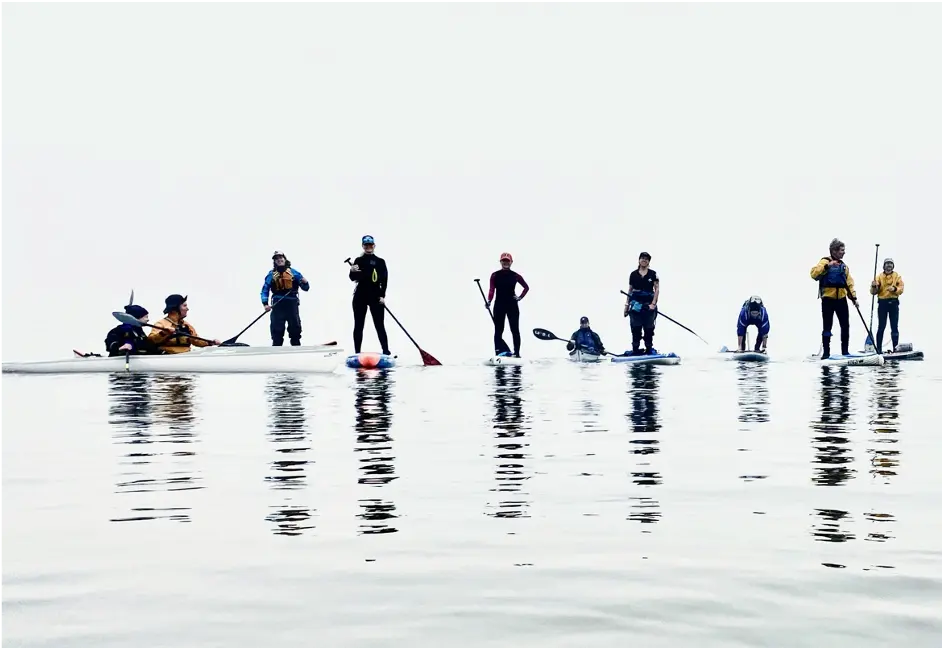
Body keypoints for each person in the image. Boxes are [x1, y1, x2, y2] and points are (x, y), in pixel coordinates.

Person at [810, 238, 857, 359]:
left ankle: (845, 352)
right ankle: (826, 354)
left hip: (841, 299)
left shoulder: (844, 266)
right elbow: (814, 274)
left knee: (845, 325)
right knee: (827, 326)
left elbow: (849, 283)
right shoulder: (824, 261)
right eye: (842, 250)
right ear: (834, 251)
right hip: (828, 300)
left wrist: (854, 298)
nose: (844, 252)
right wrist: (827, 266)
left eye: (844, 250)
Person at [349, 235, 391, 355]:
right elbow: (353, 278)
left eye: (370, 245)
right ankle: (357, 352)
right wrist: (352, 271)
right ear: (363, 246)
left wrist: (383, 296)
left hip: (375, 297)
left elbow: (385, 280)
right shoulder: (358, 260)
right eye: (366, 245)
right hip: (360, 296)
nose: (368, 247)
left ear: (374, 246)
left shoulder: (380, 262)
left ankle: (386, 351)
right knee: (358, 325)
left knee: (379, 325)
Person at [261, 250, 310, 346]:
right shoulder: (271, 274)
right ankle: (276, 347)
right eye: (276, 259)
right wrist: (265, 304)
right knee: (277, 328)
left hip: (291, 302)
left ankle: (296, 346)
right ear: (274, 262)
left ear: (284, 259)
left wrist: (305, 282)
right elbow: (265, 289)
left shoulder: (293, 272)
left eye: (280, 258)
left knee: (295, 327)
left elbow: (306, 288)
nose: (279, 260)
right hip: (277, 303)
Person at [486, 252, 529, 357]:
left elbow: (526, 287)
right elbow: (492, 290)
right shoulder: (495, 275)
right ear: (500, 262)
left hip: (512, 305)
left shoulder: (515, 276)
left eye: (507, 261)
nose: (505, 263)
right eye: (503, 261)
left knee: (515, 330)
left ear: (511, 262)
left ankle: (517, 353)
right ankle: (498, 352)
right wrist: (489, 301)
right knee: (498, 330)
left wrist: (519, 297)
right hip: (499, 305)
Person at [147, 294, 221, 354]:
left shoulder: (186, 325)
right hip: (168, 356)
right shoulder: (161, 324)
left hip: (185, 356)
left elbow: (196, 341)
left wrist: (210, 342)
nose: (187, 309)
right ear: (175, 308)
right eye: (184, 306)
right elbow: (151, 340)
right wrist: (163, 333)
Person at [623, 251, 659, 355]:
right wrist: (626, 306)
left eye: (646, 259)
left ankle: (648, 349)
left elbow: (656, 290)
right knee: (636, 328)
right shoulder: (633, 274)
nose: (644, 260)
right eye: (642, 258)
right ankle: (635, 349)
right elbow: (630, 290)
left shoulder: (653, 274)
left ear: (649, 262)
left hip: (648, 305)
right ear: (639, 260)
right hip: (635, 306)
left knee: (649, 329)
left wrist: (653, 304)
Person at [870, 257, 905, 353]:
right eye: (887, 264)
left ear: (893, 266)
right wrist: (874, 286)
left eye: (890, 264)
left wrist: (894, 289)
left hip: (893, 303)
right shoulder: (879, 277)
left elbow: (901, 288)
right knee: (881, 326)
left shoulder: (897, 276)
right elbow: (873, 292)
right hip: (882, 303)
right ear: (884, 266)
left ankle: (895, 348)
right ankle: (879, 349)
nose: (889, 265)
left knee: (894, 326)